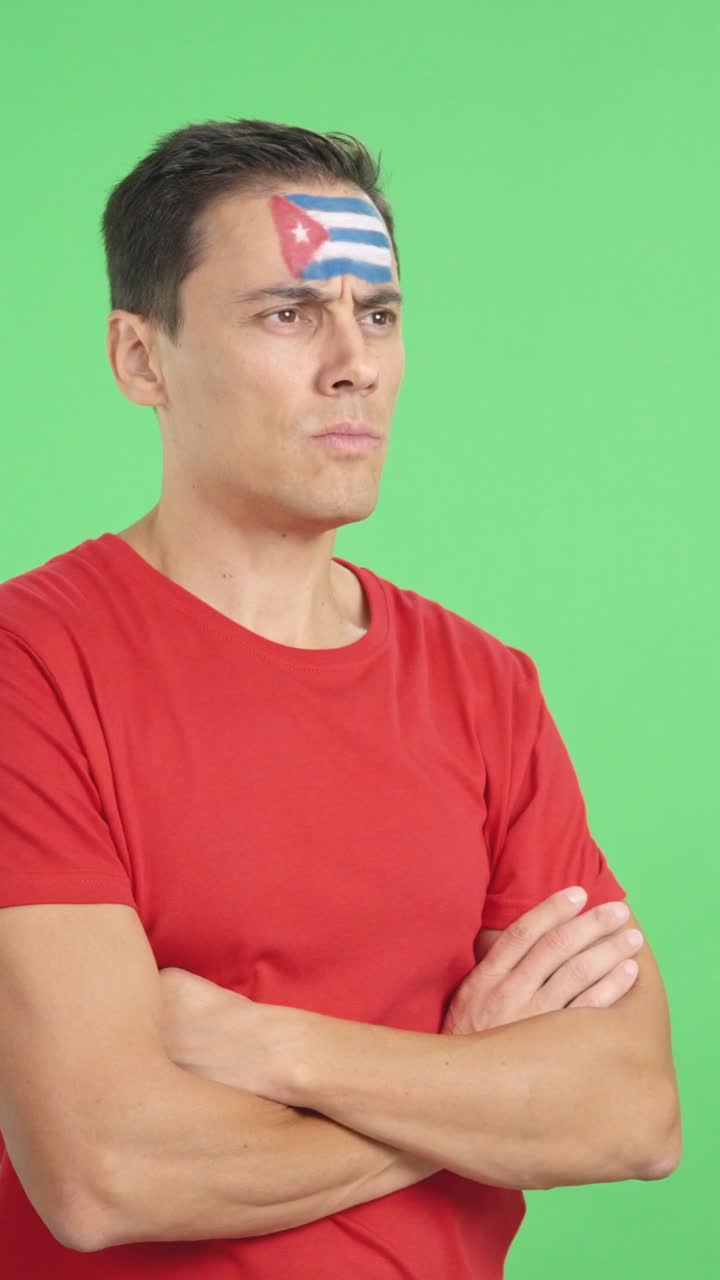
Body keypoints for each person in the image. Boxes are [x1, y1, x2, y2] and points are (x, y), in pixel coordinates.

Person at [0, 118, 681, 1278]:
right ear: (139, 358)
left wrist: (276, 1049)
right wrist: (468, 1084)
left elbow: (629, 1112)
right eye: (288, 313)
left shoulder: (485, 685)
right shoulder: (33, 668)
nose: (353, 360)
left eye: (378, 313)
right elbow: (106, 1169)